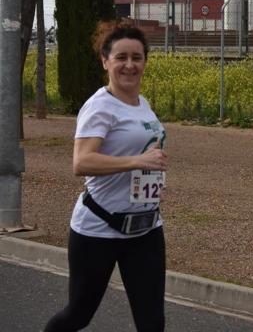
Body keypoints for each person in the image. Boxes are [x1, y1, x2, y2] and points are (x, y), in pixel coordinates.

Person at [45, 24, 168, 332]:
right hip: (99, 228)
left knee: (152, 322)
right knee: (78, 315)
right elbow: (82, 162)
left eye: (137, 57)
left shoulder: (143, 104)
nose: (130, 65)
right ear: (105, 61)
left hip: (145, 227)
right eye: (121, 57)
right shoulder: (100, 106)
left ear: (145, 62)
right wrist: (136, 161)